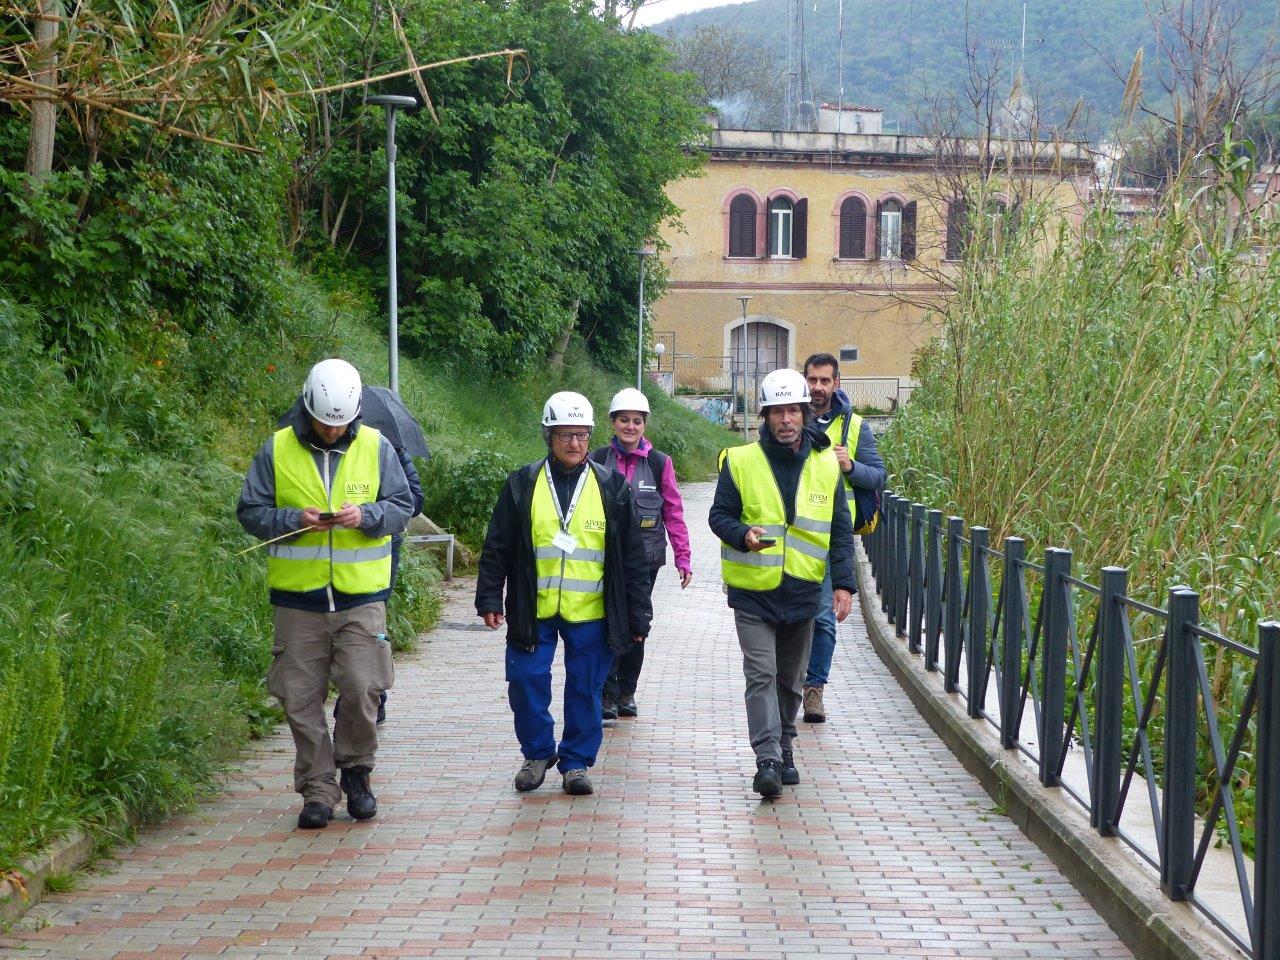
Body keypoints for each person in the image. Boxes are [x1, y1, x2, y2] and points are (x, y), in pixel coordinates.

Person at [237, 358, 414, 830]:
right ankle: (317, 788)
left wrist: (368, 516)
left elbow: (403, 505)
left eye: (341, 424)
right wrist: (293, 520)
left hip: (361, 599)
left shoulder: (377, 446)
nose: (333, 431)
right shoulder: (276, 448)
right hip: (298, 601)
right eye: (324, 423)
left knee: (362, 689)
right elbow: (250, 510)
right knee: (299, 699)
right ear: (307, 409)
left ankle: (356, 772)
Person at [475, 391, 652, 796]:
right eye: (565, 435)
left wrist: (639, 615)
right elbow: (498, 544)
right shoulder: (523, 483)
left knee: (585, 688)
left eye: (582, 435)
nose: (574, 443)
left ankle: (576, 762)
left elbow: (633, 558)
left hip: (591, 611)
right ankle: (537, 753)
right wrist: (489, 597)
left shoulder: (611, 486)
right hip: (532, 608)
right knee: (525, 680)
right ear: (548, 436)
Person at [709, 368, 855, 798]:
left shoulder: (826, 465)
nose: (786, 419)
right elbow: (719, 516)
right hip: (753, 592)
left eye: (794, 410)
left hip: (804, 589)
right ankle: (767, 759)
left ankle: (786, 744)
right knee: (761, 674)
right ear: (766, 416)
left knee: (791, 681)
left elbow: (840, 530)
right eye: (778, 412)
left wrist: (843, 585)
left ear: (806, 414)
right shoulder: (739, 461)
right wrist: (742, 535)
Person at [589, 387, 692, 721]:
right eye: (624, 420)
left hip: (645, 560)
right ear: (613, 423)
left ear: (644, 425)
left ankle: (626, 692)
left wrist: (683, 558)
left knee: (637, 622)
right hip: (604, 558)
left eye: (636, 421)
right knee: (607, 621)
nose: (630, 427)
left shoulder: (660, 463)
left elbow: (673, 512)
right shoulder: (596, 459)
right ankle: (607, 693)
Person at [801, 353, 887, 723]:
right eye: (812, 380)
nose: (818, 387)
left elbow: (878, 476)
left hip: (832, 538)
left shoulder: (855, 427)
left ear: (837, 383)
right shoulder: (788, 417)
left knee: (823, 617)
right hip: (791, 535)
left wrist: (850, 465)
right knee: (791, 616)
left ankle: (813, 690)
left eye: (825, 380)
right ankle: (788, 682)